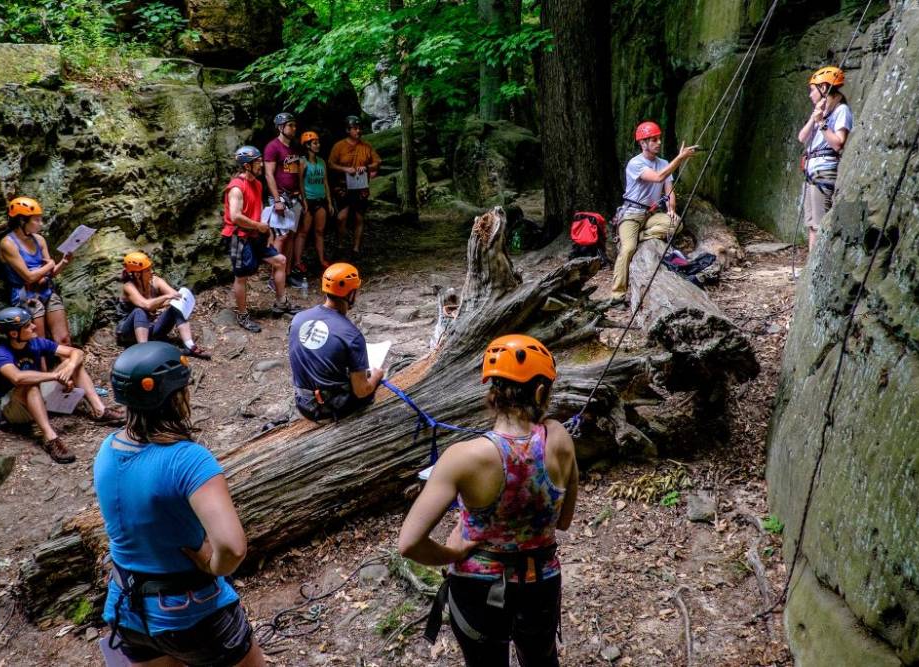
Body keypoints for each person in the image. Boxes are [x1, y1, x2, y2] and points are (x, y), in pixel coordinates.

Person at [398, 334, 579, 667]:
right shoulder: (560, 438)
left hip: (477, 588)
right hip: (541, 583)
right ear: (540, 392)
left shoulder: (463, 457)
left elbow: (409, 544)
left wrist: (453, 551)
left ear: (491, 393)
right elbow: (563, 521)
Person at [94, 342, 263, 667]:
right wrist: (214, 565)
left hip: (128, 610)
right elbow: (232, 546)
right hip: (191, 612)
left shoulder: (107, 449)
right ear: (175, 396)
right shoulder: (187, 460)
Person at [0, 306, 125, 464]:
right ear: (14, 333)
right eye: (27, 326)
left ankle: (100, 411)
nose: (34, 326)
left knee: (73, 363)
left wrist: (68, 368)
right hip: (13, 407)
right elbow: (18, 378)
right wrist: (56, 376)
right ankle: (50, 438)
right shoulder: (1, 353)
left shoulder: (36, 343)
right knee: (30, 385)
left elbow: (77, 353)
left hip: (38, 396)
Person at [608, 121, 699, 308]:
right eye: (654, 139)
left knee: (676, 224)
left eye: (659, 139)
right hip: (632, 214)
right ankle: (617, 295)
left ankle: (640, 236)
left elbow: (669, 189)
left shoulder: (664, 163)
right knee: (627, 250)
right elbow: (658, 177)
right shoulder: (636, 163)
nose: (658, 142)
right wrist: (680, 158)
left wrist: (671, 209)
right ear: (643, 143)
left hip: (651, 215)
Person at [288, 263, 383, 422]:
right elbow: (361, 391)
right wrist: (376, 376)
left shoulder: (298, 319)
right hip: (330, 408)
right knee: (369, 387)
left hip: (303, 403)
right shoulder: (351, 335)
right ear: (351, 293)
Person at [221, 145, 293, 333]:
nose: (261, 164)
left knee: (280, 261)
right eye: (257, 162)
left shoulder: (258, 184)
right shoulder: (236, 188)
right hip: (239, 237)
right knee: (241, 276)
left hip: (256, 234)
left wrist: (266, 231)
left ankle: (281, 302)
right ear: (246, 166)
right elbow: (235, 216)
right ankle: (243, 314)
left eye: (261, 160)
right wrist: (258, 226)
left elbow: (259, 211)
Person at [0, 196, 73, 344]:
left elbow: (50, 273)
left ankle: (68, 364)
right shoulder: (8, 244)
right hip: (26, 295)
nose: (41, 224)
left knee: (64, 338)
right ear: (22, 221)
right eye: (37, 220)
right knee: (39, 342)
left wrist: (63, 262)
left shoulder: (39, 240)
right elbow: (29, 277)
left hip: (46, 290)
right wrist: (50, 264)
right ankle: (43, 368)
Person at [797, 66, 852, 255]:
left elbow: (838, 143)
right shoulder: (821, 112)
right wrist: (815, 118)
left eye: (813, 90)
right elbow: (801, 138)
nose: (810, 94)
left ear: (824, 88)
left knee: (820, 224)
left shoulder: (841, 110)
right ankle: (811, 268)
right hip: (812, 170)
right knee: (812, 224)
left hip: (824, 170)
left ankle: (818, 268)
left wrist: (821, 123)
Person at [115, 251, 210, 359]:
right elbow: (146, 305)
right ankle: (144, 352)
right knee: (139, 311)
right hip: (129, 333)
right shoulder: (128, 287)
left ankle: (190, 345)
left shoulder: (155, 281)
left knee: (176, 307)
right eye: (147, 270)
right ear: (137, 274)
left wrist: (171, 299)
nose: (151, 272)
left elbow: (175, 296)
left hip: (149, 329)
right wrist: (165, 298)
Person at [328, 116, 381, 258]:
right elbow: (331, 164)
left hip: (361, 187)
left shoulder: (366, 147)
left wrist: (366, 167)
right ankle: (340, 245)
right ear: (348, 130)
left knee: (359, 217)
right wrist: (345, 169)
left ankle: (356, 248)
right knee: (341, 217)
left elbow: (377, 162)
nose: (359, 131)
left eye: (359, 128)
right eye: (355, 128)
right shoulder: (339, 146)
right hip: (343, 187)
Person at [264, 112, 306, 288]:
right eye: (290, 125)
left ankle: (286, 273)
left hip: (294, 196)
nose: (294, 128)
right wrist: (277, 200)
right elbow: (269, 174)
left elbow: (297, 174)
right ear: (281, 127)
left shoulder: (294, 147)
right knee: (281, 237)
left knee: (291, 236)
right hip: (280, 196)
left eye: (295, 125)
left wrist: (302, 197)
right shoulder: (273, 147)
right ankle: (274, 277)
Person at [298, 131, 335, 271]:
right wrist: (304, 200)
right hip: (310, 200)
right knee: (304, 232)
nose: (318, 145)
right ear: (307, 145)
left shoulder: (321, 162)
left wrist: (329, 202)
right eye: (315, 143)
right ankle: (297, 262)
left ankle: (321, 259)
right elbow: (300, 182)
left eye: (318, 142)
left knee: (319, 231)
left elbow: (325, 182)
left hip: (321, 200)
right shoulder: (303, 162)